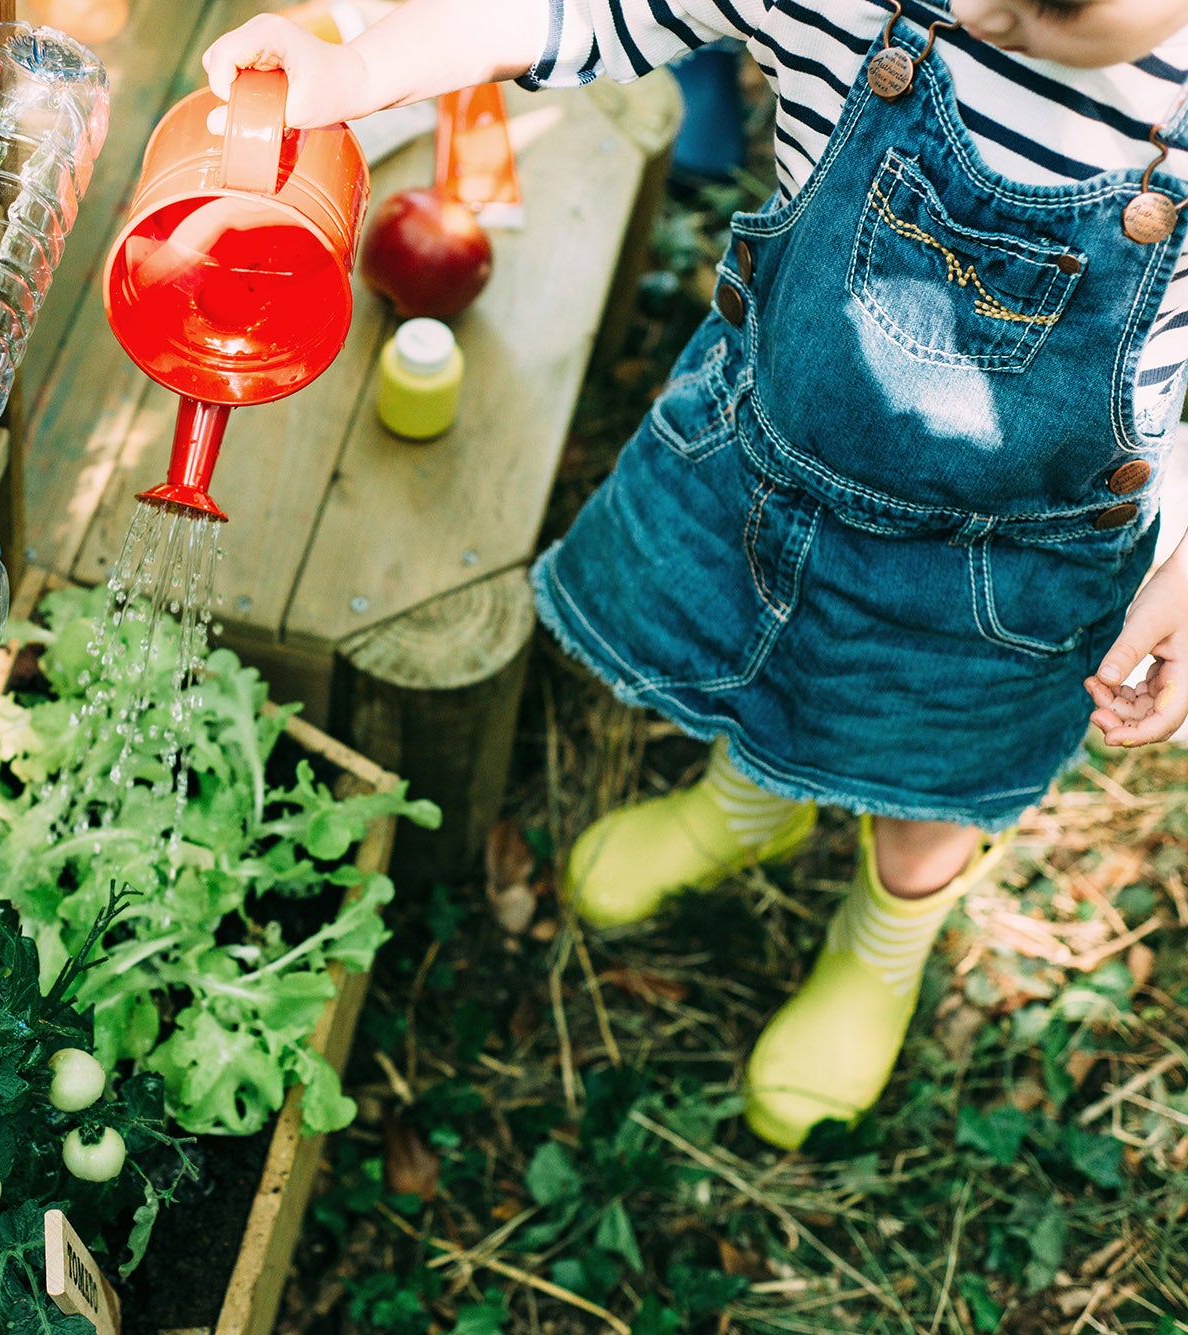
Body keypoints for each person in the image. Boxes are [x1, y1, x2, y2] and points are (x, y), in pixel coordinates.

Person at [201, 0, 1188, 1148]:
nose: (985, 16)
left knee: (923, 789)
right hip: (767, 462)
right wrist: (359, 65)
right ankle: (745, 806)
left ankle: (879, 946)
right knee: (751, 664)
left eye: (1058, 4)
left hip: (1002, 579)